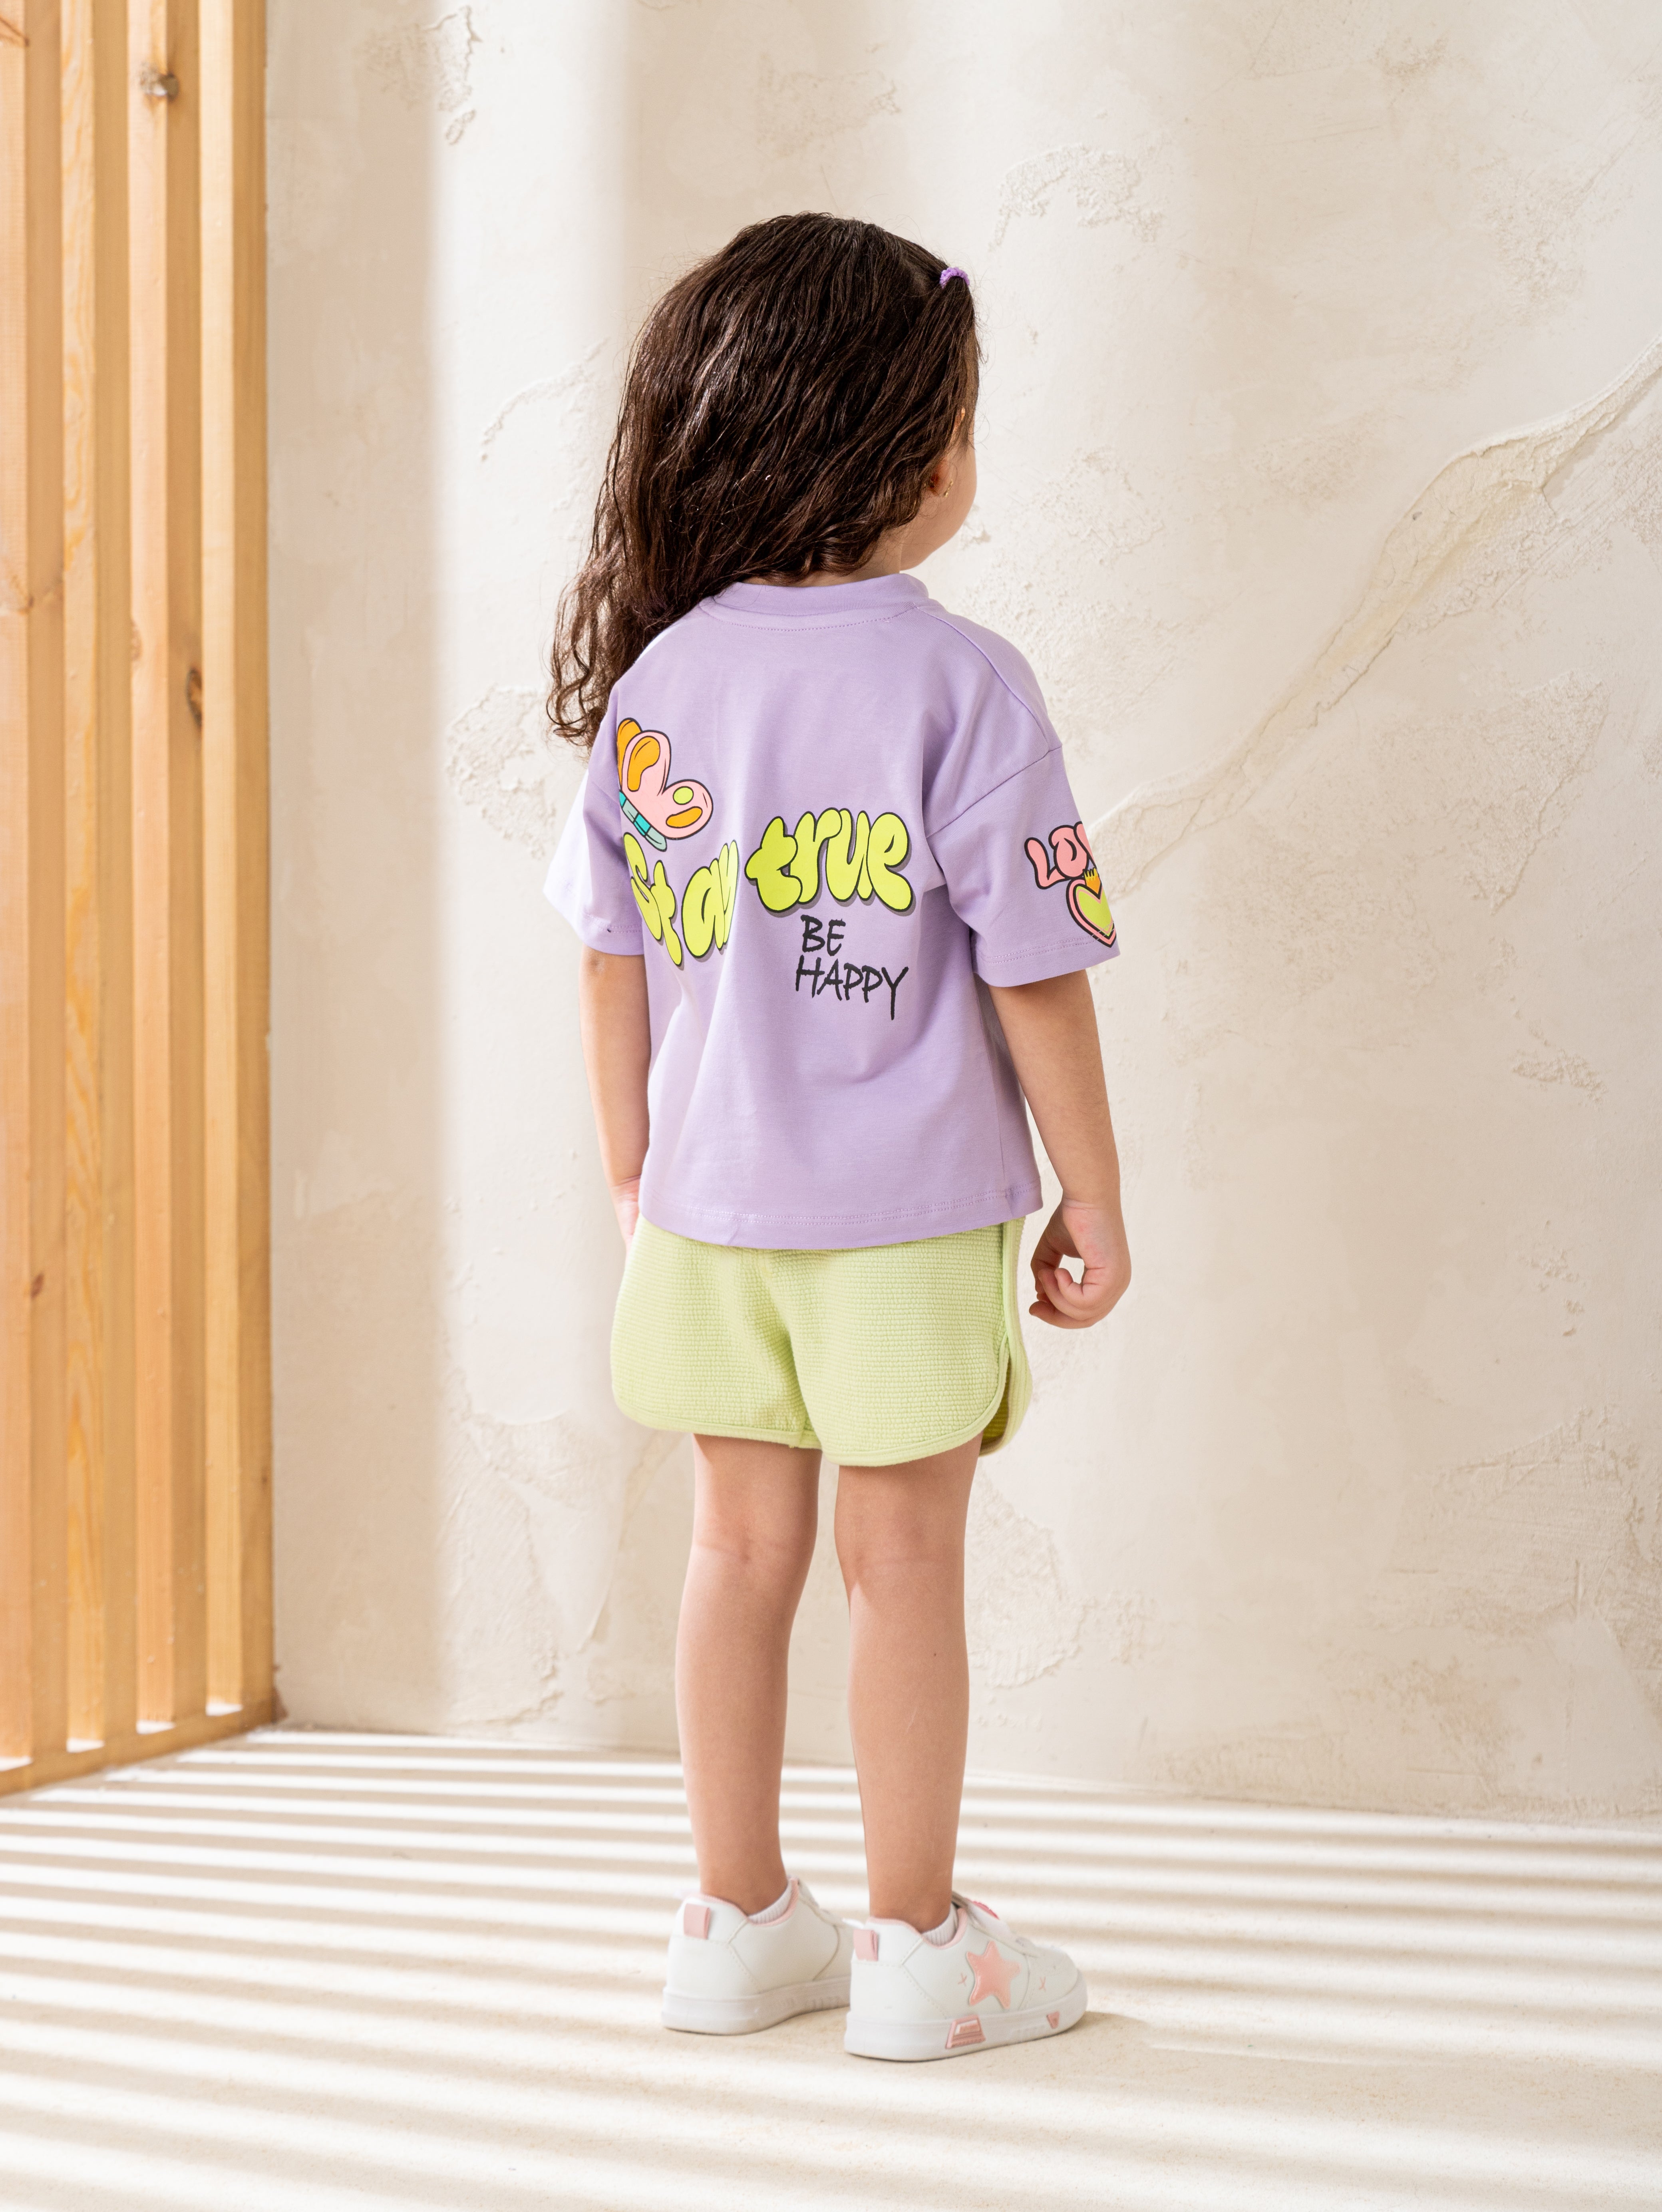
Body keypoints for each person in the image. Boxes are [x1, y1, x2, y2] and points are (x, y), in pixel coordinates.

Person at [545, 213, 1130, 2062]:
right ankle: (915, 1946)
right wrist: (1094, 1191)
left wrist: (632, 1165)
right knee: (904, 1565)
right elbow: (1033, 970)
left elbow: (609, 950)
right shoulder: (963, 685)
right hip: (903, 1216)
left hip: (707, 1217)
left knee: (733, 1556)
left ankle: (731, 1925)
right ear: (907, 451)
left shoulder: (660, 686)